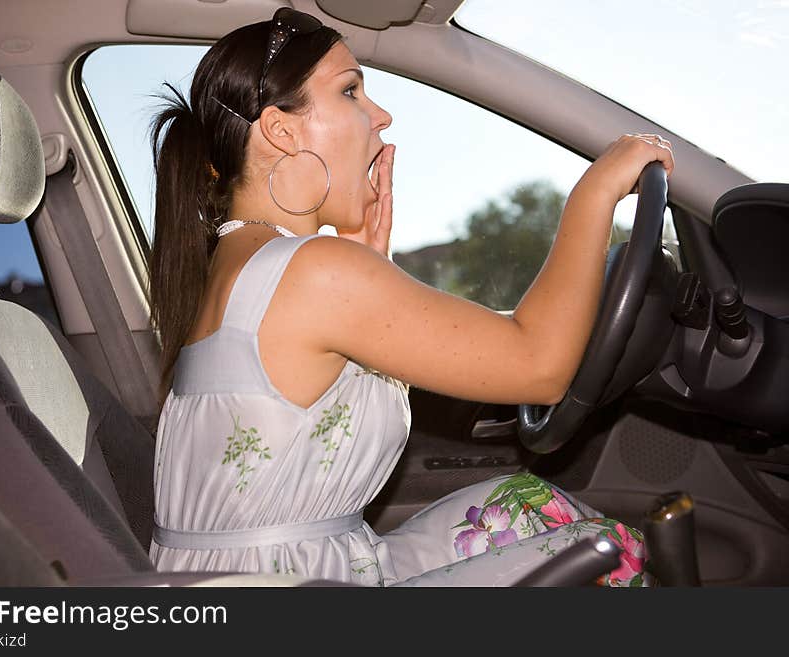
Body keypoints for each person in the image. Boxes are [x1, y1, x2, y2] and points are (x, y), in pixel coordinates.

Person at [146, 7, 674, 586]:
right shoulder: (315, 272)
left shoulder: (238, 262)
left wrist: (369, 268)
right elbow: (541, 366)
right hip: (281, 587)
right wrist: (594, 194)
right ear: (281, 130)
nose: (381, 115)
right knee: (608, 552)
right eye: (350, 92)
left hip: (267, 573)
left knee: (526, 501)